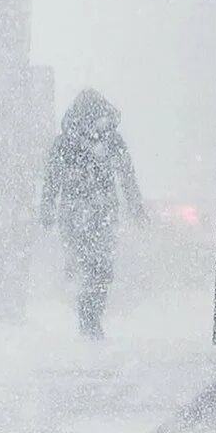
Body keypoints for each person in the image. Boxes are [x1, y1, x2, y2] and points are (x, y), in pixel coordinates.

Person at [40, 89, 146, 339]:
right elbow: (127, 177)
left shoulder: (66, 142)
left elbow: (52, 180)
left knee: (88, 266)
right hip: (101, 213)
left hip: (77, 213)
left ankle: (87, 317)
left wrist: (47, 208)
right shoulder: (111, 140)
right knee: (98, 268)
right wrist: (135, 208)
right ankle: (91, 318)